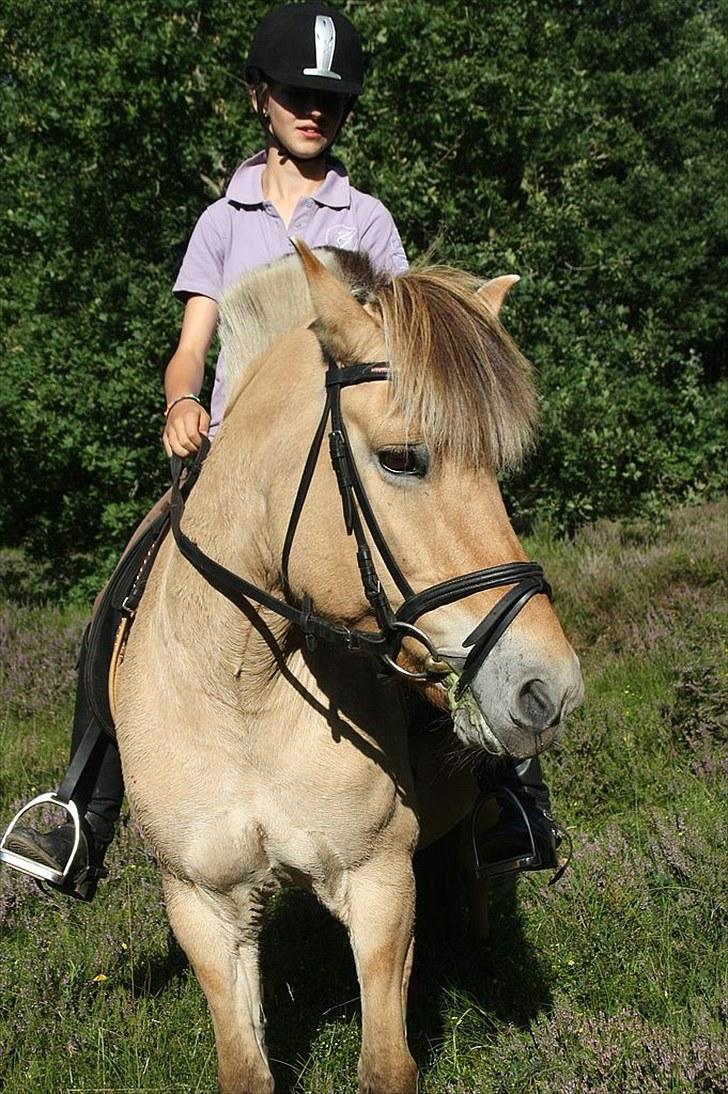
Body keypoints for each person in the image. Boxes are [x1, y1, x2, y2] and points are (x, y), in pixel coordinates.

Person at [0, 1, 561, 903]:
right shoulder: (222, 220)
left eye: (331, 100)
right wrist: (183, 397)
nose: (313, 111)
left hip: (335, 472)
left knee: (439, 590)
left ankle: (507, 796)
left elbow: (405, 339)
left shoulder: (366, 218)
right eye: (297, 94)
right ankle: (82, 814)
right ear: (260, 98)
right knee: (118, 604)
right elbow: (194, 341)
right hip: (230, 472)